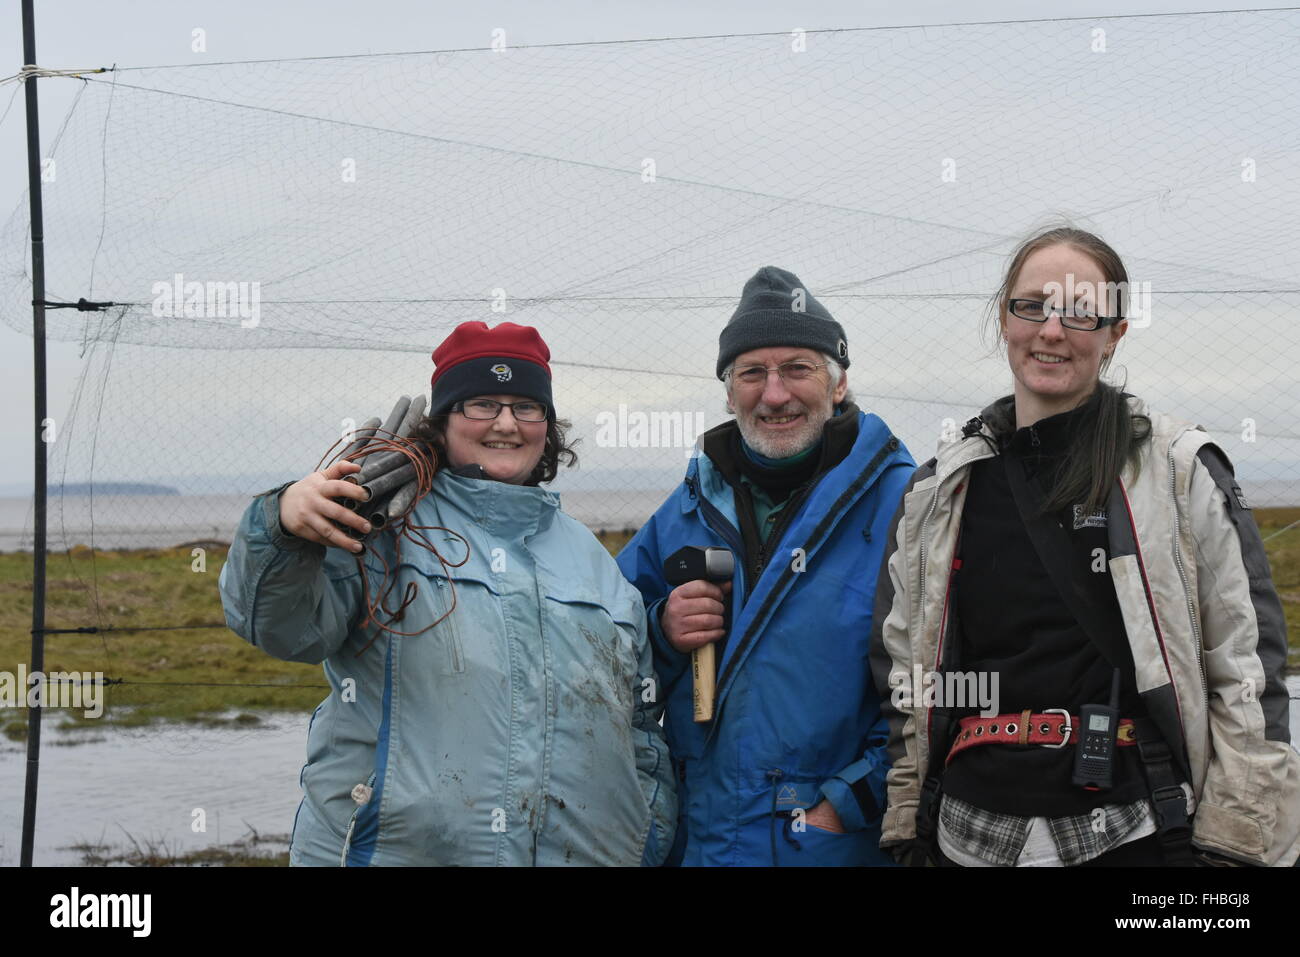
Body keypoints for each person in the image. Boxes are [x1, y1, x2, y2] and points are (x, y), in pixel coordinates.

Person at [870, 226, 1300, 867]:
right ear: (1003, 317)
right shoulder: (939, 493)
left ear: (1115, 332)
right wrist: (907, 826)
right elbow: (903, 672)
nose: (1051, 329)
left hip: (1139, 832)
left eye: (1080, 311)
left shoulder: (1180, 473)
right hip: (964, 837)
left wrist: (1234, 851)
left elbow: (1246, 670)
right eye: (1032, 305)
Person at [219, 320, 676, 866]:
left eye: (526, 407)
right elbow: (279, 628)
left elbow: (640, 730)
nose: (506, 423)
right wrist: (284, 524)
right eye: (481, 403)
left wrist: (647, 836)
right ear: (442, 422)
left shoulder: (594, 564)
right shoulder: (379, 530)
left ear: (547, 426)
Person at [617, 266, 916, 865]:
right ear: (729, 392)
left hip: (835, 846)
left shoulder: (907, 507)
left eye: (797, 369)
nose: (773, 394)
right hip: (702, 842)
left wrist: (847, 803)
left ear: (838, 384)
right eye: (752, 372)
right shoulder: (684, 511)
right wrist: (662, 630)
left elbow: (947, 679)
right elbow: (601, 647)